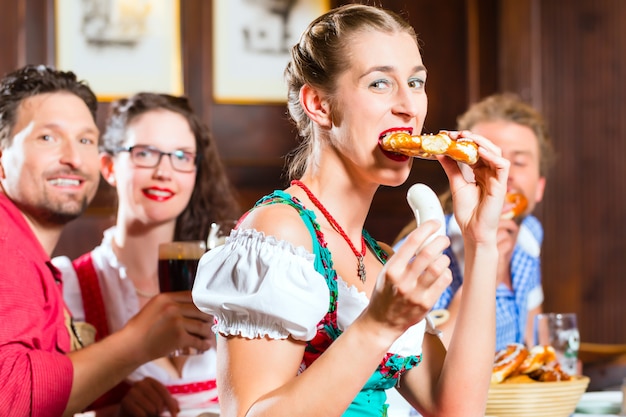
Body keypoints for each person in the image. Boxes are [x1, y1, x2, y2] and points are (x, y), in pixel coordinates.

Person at [192, 4, 510, 417]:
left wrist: (481, 243)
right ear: (319, 105)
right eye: (380, 83)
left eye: (416, 82)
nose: (409, 107)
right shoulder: (280, 233)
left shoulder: (376, 257)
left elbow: (458, 410)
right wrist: (377, 325)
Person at [0, 65, 214, 417]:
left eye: (84, 139)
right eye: (48, 138)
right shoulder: (9, 248)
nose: (72, 157)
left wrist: (113, 408)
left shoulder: (34, 263)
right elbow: (11, 399)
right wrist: (136, 343)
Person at [52, 92, 241, 416]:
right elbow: (32, 403)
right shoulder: (71, 285)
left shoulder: (228, 273)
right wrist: (114, 412)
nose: (164, 171)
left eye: (182, 156)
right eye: (145, 153)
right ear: (108, 167)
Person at [393, 92, 555, 351]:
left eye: (520, 162)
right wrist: (484, 269)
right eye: (484, 158)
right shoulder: (425, 250)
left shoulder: (529, 235)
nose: (503, 172)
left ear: (539, 187)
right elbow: (413, 367)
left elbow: (534, 335)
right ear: (460, 171)